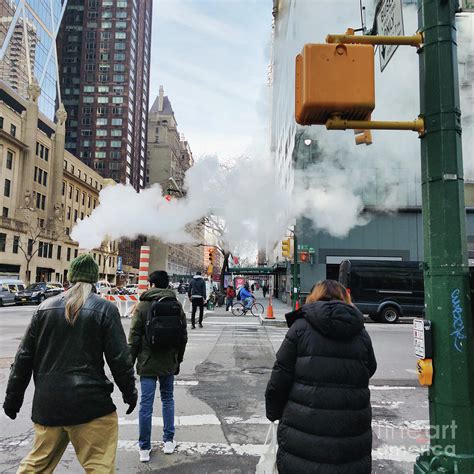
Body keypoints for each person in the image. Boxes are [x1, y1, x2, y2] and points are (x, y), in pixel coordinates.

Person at [3, 254, 137, 473]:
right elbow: (120, 359)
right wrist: (129, 393)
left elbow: (23, 359)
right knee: (99, 466)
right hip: (91, 405)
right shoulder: (105, 309)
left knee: (36, 465)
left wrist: (12, 400)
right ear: (94, 280)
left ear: (70, 278)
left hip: (49, 404)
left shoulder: (44, 308)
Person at [265, 280, 377, 473]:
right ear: (346, 298)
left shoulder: (300, 328)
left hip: (303, 424)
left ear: (313, 297)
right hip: (350, 426)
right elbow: (370, 368)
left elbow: (280, 375)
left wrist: (273, 412)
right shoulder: (360, 332)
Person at [128, 270, 187, 463]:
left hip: (147, 363)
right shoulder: (176, 305)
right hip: (168, 361)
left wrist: (129, 362)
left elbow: (134, 337)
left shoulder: (143, 306)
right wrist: (178, 360)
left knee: (146, 404)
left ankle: (144, 448)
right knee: (168, 399)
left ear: (152, 285)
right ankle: (168, 441)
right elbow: (183, 337)